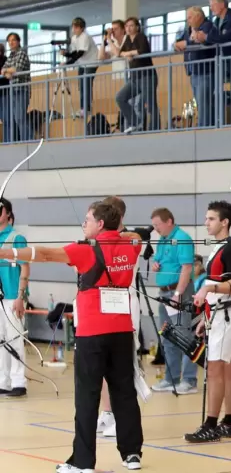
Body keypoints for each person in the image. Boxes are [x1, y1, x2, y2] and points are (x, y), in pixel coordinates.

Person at [0, 202, 145, 472]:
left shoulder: (84, 250)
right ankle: (132, 454)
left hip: (93, 334)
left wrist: (5, 252)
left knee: (87, 398)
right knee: (125, 393)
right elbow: (135, 237)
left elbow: (42, 254)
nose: (84, 224)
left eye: (88, 220)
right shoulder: (131, 247)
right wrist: (115, 235)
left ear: (100, 223)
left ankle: (83, 463)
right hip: (122, 332)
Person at [184, 201, 231, 443]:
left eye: (211, 219)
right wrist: (206, 316)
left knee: (216, 368)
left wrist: (209, 287)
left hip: (227, 315)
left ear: (224, 222)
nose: (206, 223)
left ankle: (210, 424)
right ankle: (230, 422)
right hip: (218, 314)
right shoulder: (219, 248)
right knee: (228, 368)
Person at [96, 195, 151, 437]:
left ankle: (124, 416)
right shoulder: (100, 241)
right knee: (104, 363)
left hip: (126, 302)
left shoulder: (130, 239)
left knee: (124, 363)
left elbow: (138, 238)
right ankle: (108, 414)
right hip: (104, 304)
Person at [150, 208, 197, 394]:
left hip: (179, 293)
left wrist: (178, 293)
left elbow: (186, 268)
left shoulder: (182, 238)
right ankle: (171, 378)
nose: (155, 229)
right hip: (164, 293)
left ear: (169, 221)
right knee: (167, 337)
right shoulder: (162, 239)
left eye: (157, 225)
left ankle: (189, 379)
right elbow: (159, 259)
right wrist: (155, 264)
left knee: (184, 335)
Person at [0, 197, 29, 398]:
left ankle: (19, 382)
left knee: (15, 338)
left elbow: (25, 267)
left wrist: (20, 296)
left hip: (13, 296)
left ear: (8, 213)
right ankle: (4, 381)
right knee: (1, 340)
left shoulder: (17, 237)